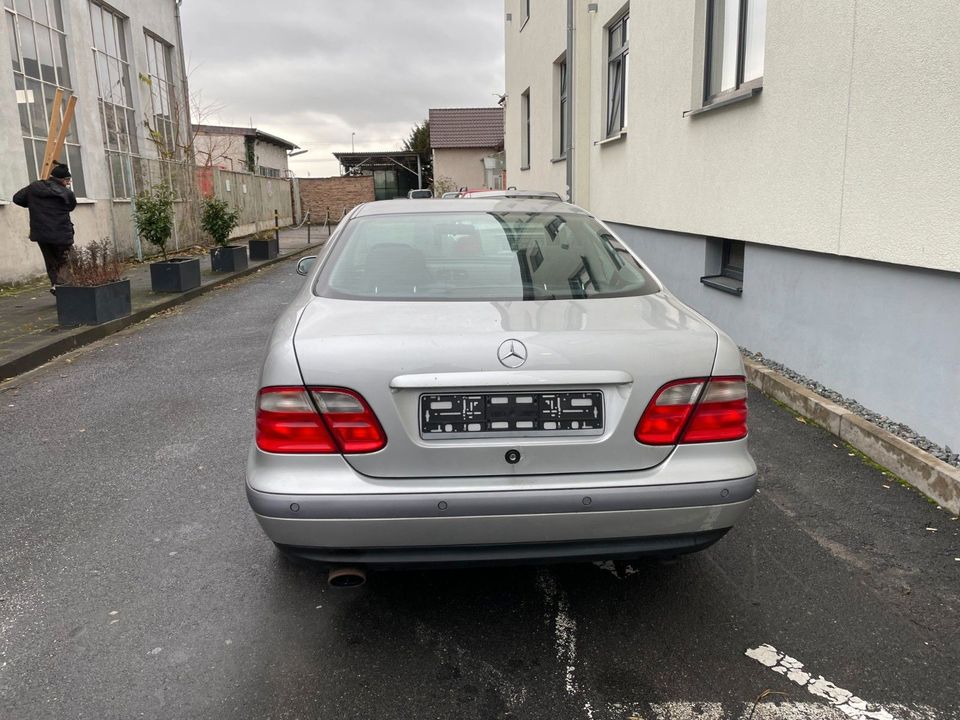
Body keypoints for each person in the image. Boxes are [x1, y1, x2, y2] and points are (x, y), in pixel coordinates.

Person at [13, 162, 77, 295]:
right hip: (61, 233)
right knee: (67, 260)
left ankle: (56, 285)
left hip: (41, 233)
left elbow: (17, 198)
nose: (68, 183)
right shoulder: (66, 193)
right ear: (63, 180)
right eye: (68, 180)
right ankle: (60, 285)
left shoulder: (34, 187)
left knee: (51, 261)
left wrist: (34, 203)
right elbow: (71, 207)